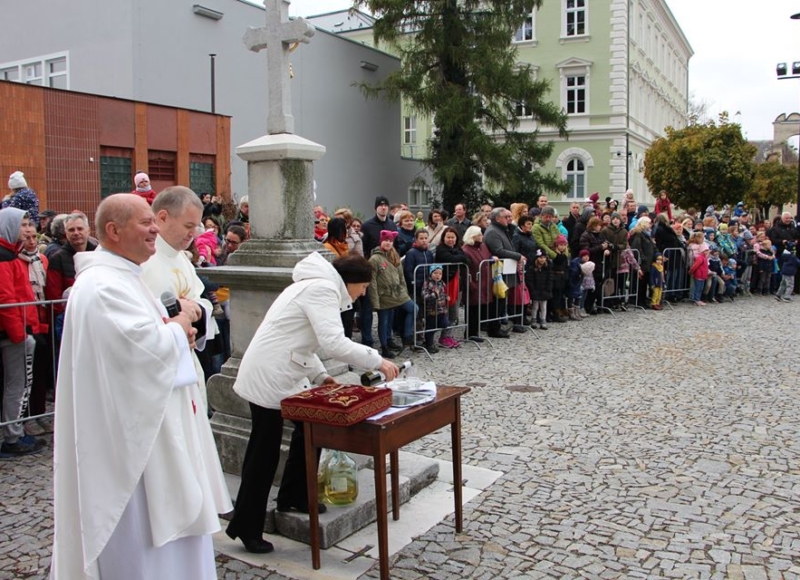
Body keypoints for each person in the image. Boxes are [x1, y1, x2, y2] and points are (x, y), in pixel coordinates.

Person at [50, 194, 231, 579]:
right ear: (113, 231)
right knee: (146, 553)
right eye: (146, 222)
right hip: (134, 448)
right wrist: (179, 326)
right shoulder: (103, 287)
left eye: (154, 221)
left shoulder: (125, 277)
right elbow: (140, 353)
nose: (155, 230)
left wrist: (178, 326)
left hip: (158, 430)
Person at [226, 252, 399, 553]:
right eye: (363, 287)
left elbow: (304, 340)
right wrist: (377, 360)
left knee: (309, 428)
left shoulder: (316, 286)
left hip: (284, 371)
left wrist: (320, 376)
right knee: (263, 453)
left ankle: (294, 495)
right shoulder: (322, 289)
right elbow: (334, 342)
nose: (362, 293)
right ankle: (246, 525)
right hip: (271, 374)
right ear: (352, 282)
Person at [140, 186, 219, 405]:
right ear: (163, 217)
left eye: (196, 226)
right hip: (158, 368)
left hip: (188, 359)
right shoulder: (141, 258)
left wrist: (196, 312)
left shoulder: (182, 258)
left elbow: (202, 301)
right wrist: (174, 311)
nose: (193, 233)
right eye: (188, 225)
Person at [0, 208, 43, 457]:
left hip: (17, 330)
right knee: (18, 385)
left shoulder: (10, 254)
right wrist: (20, 335)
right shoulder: (5, 257)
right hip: (14, 334)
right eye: (21, 224)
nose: (25, 229)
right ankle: (13, 437)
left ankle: (14, 433)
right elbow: (7, 299)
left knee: (17, 385)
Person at [17, 217, 53, 435]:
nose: (31, 241)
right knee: (24, 376)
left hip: (42, 321)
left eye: (33, 237)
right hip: (25, 323)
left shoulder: (42, 260)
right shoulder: (15, 261)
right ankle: (25, 419)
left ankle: (39, 413)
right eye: (26, 237)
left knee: (40, 372)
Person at [368, 230, 417, 358]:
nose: (388, 243)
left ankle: (406, 336)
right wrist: (375, 301)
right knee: (384, 321)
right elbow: (372, 281)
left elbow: (401, 276)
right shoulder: (374, 259)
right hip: (383, 295)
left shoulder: (394, 255)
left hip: (396, 293)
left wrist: (404, 292)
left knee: (413, 308)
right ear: (381, 241)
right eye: (386, 240)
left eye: (390, 241)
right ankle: (384, 346)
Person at [359, 196, 398, 348]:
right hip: (373, 270)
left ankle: (387, 338)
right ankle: (367, 339)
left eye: (385, 206)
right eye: (380, 206)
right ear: (376, 208)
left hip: (389, 271)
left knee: (389, 306)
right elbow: (362, 248)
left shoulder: (392, 225)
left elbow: (397, 246)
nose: (383, 208)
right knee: (368, 307)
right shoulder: (367, 225)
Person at [434, 227, 468, 348]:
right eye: (448, 237)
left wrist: (459, 256)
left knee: (454, 312)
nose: (450, 240)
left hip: (456, 283)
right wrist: (459, 256)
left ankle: (448, 335)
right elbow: (452, 258)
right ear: (443, 238)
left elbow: (464, 257)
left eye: (453, 237)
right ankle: (443, 337)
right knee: (445, 312)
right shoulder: (441, 249)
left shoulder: (458, 248)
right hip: (444, 283)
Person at [461, 225, 492, 341]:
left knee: (479, 309)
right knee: (472, 310)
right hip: (473, 282)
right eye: (479, 234)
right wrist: (470, 284)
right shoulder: (466, 250)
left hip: (483, 282)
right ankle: (470, 333)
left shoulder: (482, 247)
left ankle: (475, 331)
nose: (482, 236)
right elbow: (465, 270)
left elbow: (488, 256)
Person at [422, 264, 449, 353]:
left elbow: (441, 293)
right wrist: (434, 295)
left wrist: (446, 297)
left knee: (445, 323)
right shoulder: (428, 283)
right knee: (430, 327)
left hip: (441, 309)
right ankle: (429, 344)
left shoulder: (441, 283)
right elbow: (424, 296)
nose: (438, 275)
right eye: (435, 273)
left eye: (440, 274)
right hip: (432, 310)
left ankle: (429, 340)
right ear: (431, 273)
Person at [526, 249, 552, 329]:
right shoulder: (532, 268)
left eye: (544, 257)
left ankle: (543, 320)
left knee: (544, 306)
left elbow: (550, 279)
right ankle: (534, 319)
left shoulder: (547, 268)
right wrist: (532, 289)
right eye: (540, 257)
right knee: (535, 306)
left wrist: (548, 288)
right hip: (536, 290)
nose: (542, 259)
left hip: (544, 290)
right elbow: (530, 279)